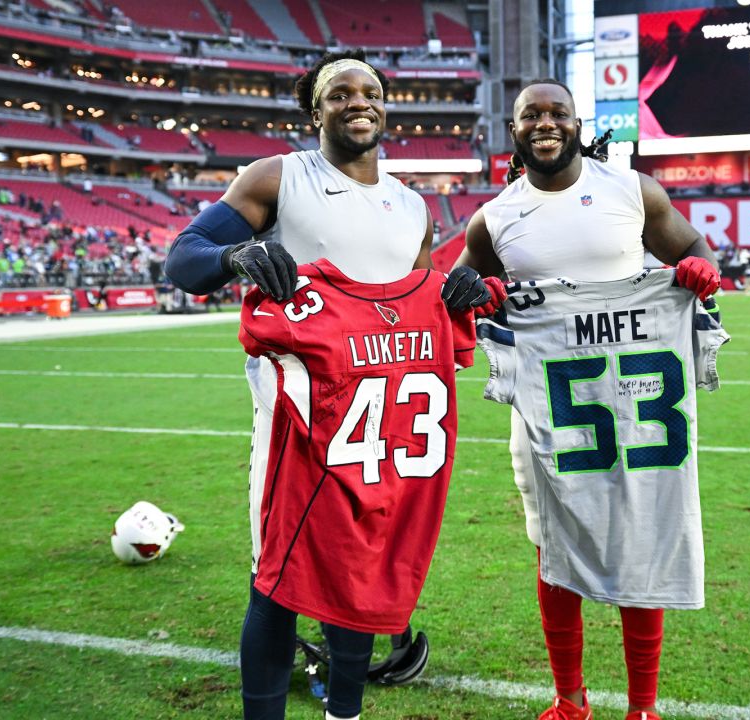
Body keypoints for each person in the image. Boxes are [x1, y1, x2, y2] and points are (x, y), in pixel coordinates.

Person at [164, 49, 500, 720]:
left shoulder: (413, 207)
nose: (357, 102)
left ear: (386, 107)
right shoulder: (277, 177)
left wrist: (459, 290)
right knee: (278, 580)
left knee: (362, 568)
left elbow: (416, 299)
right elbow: (184, 258)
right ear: (314, 110)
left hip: (385, 422)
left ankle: (342, 711)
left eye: (369, 91)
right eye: (339, 93)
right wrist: (237, 255)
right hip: (294, 416)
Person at [451, 79, 722, 720]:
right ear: (513, 131)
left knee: (644, 533)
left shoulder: (632, 189)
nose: (545, 123)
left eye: (556, 113)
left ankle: (643, 707)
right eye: (530, 115)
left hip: (634, 402)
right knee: (554, 547)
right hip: (549, 412)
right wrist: (480, 291)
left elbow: (693, 248)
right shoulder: (494, 217)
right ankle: (569, 700)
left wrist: (699, 273)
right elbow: (459, 281)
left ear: (577, 123)